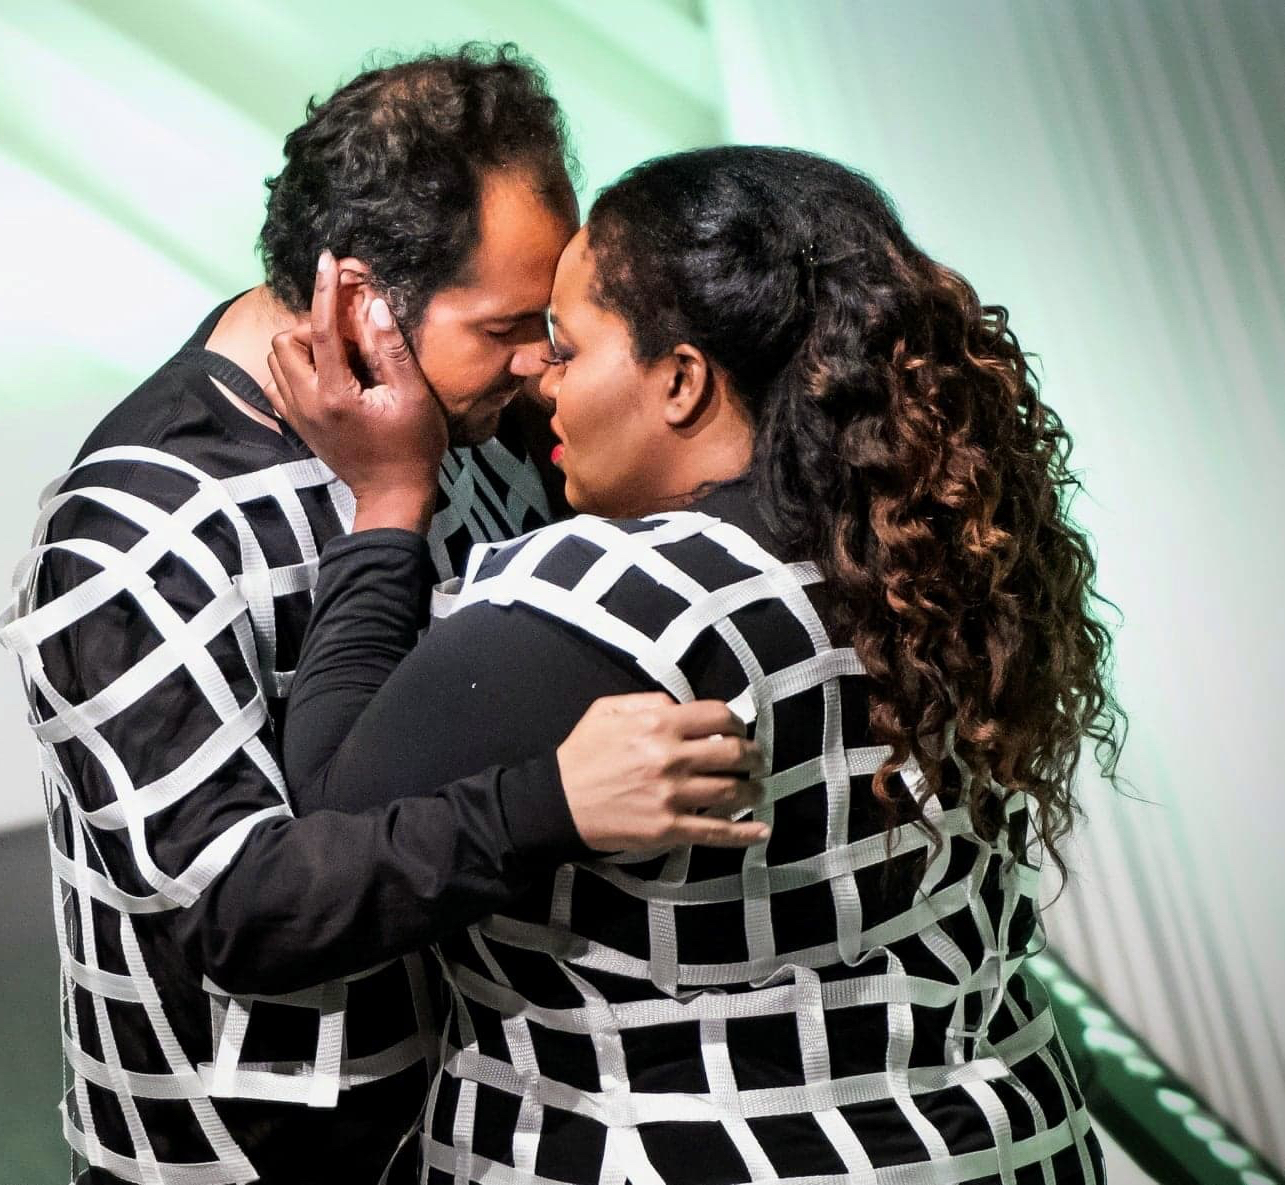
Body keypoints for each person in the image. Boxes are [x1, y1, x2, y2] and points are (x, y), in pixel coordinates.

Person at [268, 146, 1121, 1182]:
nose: (537, 378)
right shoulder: (935, 555)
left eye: (567, 349)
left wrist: (388, 498)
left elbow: (331, 827)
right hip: (999, 1140)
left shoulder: (626, 597)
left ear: (678, 380)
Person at [0, 49, 766, 1185]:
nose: (542, 366)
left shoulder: (480, 425)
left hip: (475, 1125)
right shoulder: (138, 530)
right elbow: (239, 912)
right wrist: (549, 806)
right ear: (358, 301)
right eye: (506, 326)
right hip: (253, 1161)